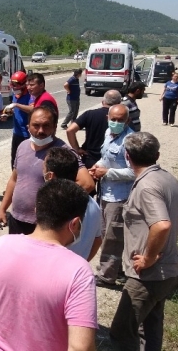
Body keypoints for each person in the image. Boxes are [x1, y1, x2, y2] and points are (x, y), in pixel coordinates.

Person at [0, 179, 97, 351]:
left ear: (37, 212)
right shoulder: (79, 271)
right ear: (75, 223)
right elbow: (80, 347)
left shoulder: (0, 246)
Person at [109, 132, 178, 351]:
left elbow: (162, 224)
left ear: (127, 156)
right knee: (150, 328)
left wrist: (148, 257)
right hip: (166, 270)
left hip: (147, 275)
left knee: (122, 331)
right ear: (157, 154)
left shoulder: (147, 186)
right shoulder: (167, 178)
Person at [0, 106, 95, 235]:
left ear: (54, 127)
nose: (40, 130)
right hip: (17, 219)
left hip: (43, 227)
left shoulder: (63, 152)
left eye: (46, 126)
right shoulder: (23, 146)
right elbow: (14, 180)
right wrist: (2, 209)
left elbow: (87, 184)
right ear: (28, 126)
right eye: (36, 125)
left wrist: (54, 206)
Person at [88, 104, 136, 287]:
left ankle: (107, 275)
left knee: (113, 236)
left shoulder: (130, 141)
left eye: (120, 120)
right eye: (113, 119)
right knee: (103, 231)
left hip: (120, 196)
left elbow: (134, 172)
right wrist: (97, 166)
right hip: (105, 193)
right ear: (107, 118)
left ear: (127, 121)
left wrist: (106, 173)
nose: (115, 123)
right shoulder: (109, 133)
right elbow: (106, 157)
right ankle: (116, 269)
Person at [43, 147, 102, 261]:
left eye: (43, 167)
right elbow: (98, 240)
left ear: (50, 176)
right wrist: (83, 262)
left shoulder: (53, 207)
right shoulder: (93, 204)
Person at [66, 89, 122, 169]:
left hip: (90, 159)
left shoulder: (90, 114)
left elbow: (70, 130)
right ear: (119, 103)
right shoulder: (122, 118)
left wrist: (77, 149)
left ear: (103, 101)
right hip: (112, 162)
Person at [8, 71, 31, 169]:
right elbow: (17, 111)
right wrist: (9, 113)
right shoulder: (15, 95)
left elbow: (31, 109)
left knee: (25, 161)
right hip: (16, 132)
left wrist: (16, 105)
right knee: (14, 160)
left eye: (16, 86)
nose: (14, 88)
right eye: (13, 86)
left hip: (26, 134)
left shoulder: (30, 96)